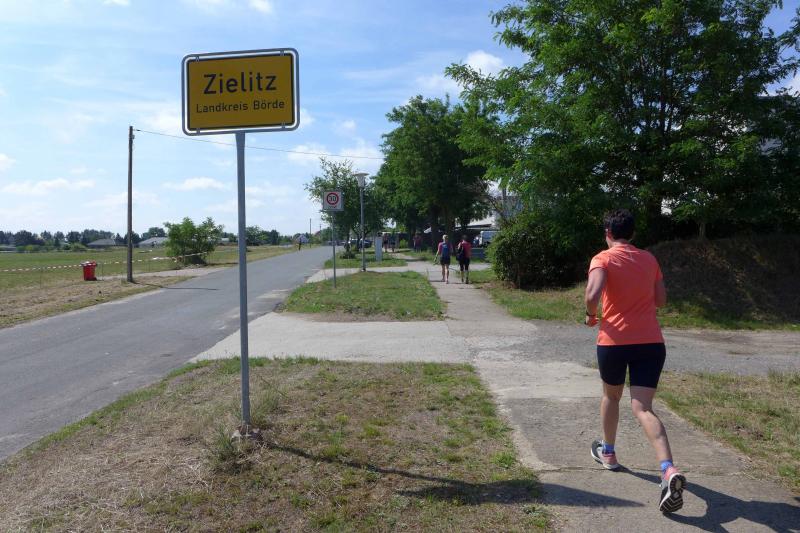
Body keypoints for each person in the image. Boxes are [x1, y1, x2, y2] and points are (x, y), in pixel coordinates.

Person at [584, 209, 686, 514]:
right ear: (633, 233)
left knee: (611, 396)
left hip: (614, 342)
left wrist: (591, 315)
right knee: (643, 408)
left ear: (608, 233)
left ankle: (609, 453)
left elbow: (592, 293)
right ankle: (668, 469)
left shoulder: (602, 258)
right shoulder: (649, 259)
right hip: (651, 343)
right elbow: (661, 300)